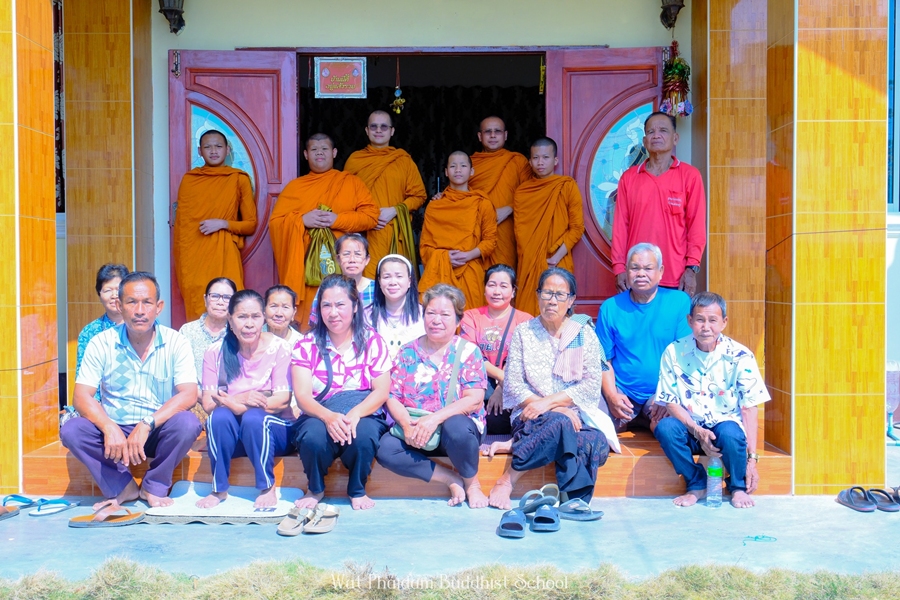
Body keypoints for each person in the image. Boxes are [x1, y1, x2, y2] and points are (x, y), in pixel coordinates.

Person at [60, 272, 201, 513]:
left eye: (147, 302)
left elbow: (189, 394)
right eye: (132, 302)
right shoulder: (101, 343)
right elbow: (81, 396)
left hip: (156, 430)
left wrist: (147, 423)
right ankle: (122, 486)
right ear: (119, 306)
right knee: (72, 430)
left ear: (159, 307)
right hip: (114, 434)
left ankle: (153, 486)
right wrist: (108, 426)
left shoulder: (176, 342)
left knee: (188, 424)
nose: (139, 311)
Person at [488, 268, 615, 510]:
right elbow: (514, 384)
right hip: (530, 415)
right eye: (547, 293)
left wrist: (549, 404)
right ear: (538, 295)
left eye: (559, 295)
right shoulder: (524, 332)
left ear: (571, 300)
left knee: (595, 442)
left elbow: (590, 384)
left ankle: (522, 449)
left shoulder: (584, 334)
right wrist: (554, 410)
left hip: (574, 415)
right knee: (560, 423)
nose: (552, 301)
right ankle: (510, 481)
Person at [376, 284, 490, 508]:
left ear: (458, 320)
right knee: (385, 449)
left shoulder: (469, 352)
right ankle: (450, 478)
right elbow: (392, 395)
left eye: (445, 315)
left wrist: (433, 419)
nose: (436, 320)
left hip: (454, 433)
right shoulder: (407, 352)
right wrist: (406, 425)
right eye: (431, 313)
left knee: (457, 427)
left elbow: (474, 399)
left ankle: (472, 484)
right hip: (417, 431)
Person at [654, 292, 769, 509]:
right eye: (700, 320)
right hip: (690, 425)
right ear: (690, 321)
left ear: (724, 322)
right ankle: (696, 483)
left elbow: (749, 408)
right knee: (666, 428)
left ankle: (737, 487)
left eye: (713, 320)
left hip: (723, 427)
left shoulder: (740, 355)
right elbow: (670, 402)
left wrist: (752, 459)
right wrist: (696, 429)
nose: (706, 327)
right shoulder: (673, 352)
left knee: (731, 433)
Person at [290, 275, 392, 511]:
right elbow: (303, 396)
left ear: (355, 306)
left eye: (340, 305)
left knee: (364, 434)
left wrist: (355, 414)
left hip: (362, 409)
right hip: (320, 411)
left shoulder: (373, 341)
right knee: (312, 437)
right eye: (326, 305)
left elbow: (381, 390)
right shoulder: (306, 345)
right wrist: (328, 417)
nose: (333, 312)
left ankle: (357, 489)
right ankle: (315, 488)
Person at [196, 289, 295, 509]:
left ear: (263, 319)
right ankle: (219, 488)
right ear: (230, 320)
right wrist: (241, 398)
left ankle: (267, 486)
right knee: (218, 417)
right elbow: (209, 403)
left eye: (255, 317)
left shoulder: (280, 349)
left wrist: (238, 406)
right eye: (242, 317)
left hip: (274, 434)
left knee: (253, 419)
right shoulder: (215, 353)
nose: (249, 324)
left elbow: (281, 401)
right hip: (235, 439)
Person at [269, 133, 379, 325]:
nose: (319, 153)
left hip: (343, 264)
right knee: (309, 323)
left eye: (324, 149)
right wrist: (302, 220)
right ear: (305, 154)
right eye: (314, 149)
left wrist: (338, 219)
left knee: (343, 315)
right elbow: (275, 223)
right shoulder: (295, 187)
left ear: (334, 152)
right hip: (308, 269)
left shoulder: (351, 182)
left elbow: (371, 216)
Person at [596, 243, 691, 433]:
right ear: (626, 270)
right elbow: (603, 361)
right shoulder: (610, 307)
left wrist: (667, 396)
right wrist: (612, 396)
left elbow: (686, 356)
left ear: (660, 271)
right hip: (622, 391)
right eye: (635, 268)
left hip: (661, 394)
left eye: (648, 268)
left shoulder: (679, 302)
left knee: (673, 429)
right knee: (593, 424)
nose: (641, 274)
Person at [611, 112, 706, 296]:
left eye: (663, 130)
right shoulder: (629, 178)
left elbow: (696, 227)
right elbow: (620, 227)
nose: (656, 135)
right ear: (645, 141)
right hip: (637, 274)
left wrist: (691, 268)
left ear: (675, 138)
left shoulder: (690, 176)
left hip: (677, 276)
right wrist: (619, 267)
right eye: (651, 132)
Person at [173, 130, 258, 321]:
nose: (213, 151)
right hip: (193, 258)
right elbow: (182, 229)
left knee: (231, 301)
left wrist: (223, 223)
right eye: (207, 147)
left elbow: (250, 225)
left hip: (224, 253)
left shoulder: (238, 178)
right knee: (199, 303)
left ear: (227, 150)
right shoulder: (190, 180)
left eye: (218, 146)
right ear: (199, 151)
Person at [344, 110, 426, 278]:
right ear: (367, 130)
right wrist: (367, 218)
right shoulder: (355, 160)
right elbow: (345, 198)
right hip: (365, 234)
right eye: (374, 126)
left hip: (394, 232)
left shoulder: (403, 160)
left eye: (384, 127)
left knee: (394, 280)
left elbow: (419, 196)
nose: (378, 130)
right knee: (364, 282)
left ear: (392, 131)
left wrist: (394, 210)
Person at [512, 138, 585, 317]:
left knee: (558, 313)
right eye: (535, 158)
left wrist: (555, 258)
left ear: (555, 160)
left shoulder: (566, 186)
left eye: (545, 157)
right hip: (529, 264)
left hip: (557, 260)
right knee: (527, 316)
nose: (540, 162)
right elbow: (521, 235)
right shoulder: (522, 192)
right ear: (530, 162)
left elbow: (577, 228)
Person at [419, 151, 497, 310]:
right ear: (446, 172)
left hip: (470, 269)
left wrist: (468, 255)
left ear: (471, 171)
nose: (458, 170)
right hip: (441, 271)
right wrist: (444, 257)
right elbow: (425, 247)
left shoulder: (482, 203)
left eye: (463, 166)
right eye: (453, 166)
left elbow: (490, 241)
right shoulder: (435, 205)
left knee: (470, 319)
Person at [459, 264, 532, 435]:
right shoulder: (470, 316)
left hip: (511, 385)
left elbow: (520, 359)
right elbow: (471, 356)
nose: (497, 291)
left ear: (513, 292)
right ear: (484, 289)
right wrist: (502, 377)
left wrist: (501, 389)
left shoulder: (525, 320)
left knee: (499, 419)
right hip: (478, 383)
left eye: (503, 286)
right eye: (491, 285)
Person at [469, 116, 532, 271]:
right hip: (476, 230)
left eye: (497, 131)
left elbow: (532, 195)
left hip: (506, 230)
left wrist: (509, 208)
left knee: (504, 275)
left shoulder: (517, 161)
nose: (492, 135)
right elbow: (458, 194)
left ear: (505, 135)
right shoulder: (469, 164)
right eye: (487, 132)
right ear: (480, 136)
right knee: (476, 277)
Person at [180, 277, 237, 428]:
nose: (220, 302)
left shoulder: (239, 332)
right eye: (215, 296)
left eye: (227, 298)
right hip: (194, 401)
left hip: (230, 402)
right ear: (206, 299)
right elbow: (180, 374)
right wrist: (204, 397)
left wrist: (224, 401)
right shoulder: (188, 331)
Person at [76, 263, 129, 387]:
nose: (114, 296)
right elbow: (84, 381)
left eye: (118, 289)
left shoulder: (142, 326)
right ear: (99, 295)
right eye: (107, 290)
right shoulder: (90, 332)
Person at [308, 233, 375, 327]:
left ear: (367, 259)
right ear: (338, 259)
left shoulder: (377, 288)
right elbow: (315, 322)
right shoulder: (328, 287)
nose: (352, 260)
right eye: (346, 254)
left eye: (358, 254)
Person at [368, 254, 425, 360]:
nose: (393, 282)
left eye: (399, 276)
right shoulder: (366, 316)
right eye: (387, 277)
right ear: (379, 281)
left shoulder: (424, 315)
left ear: (409, 281)